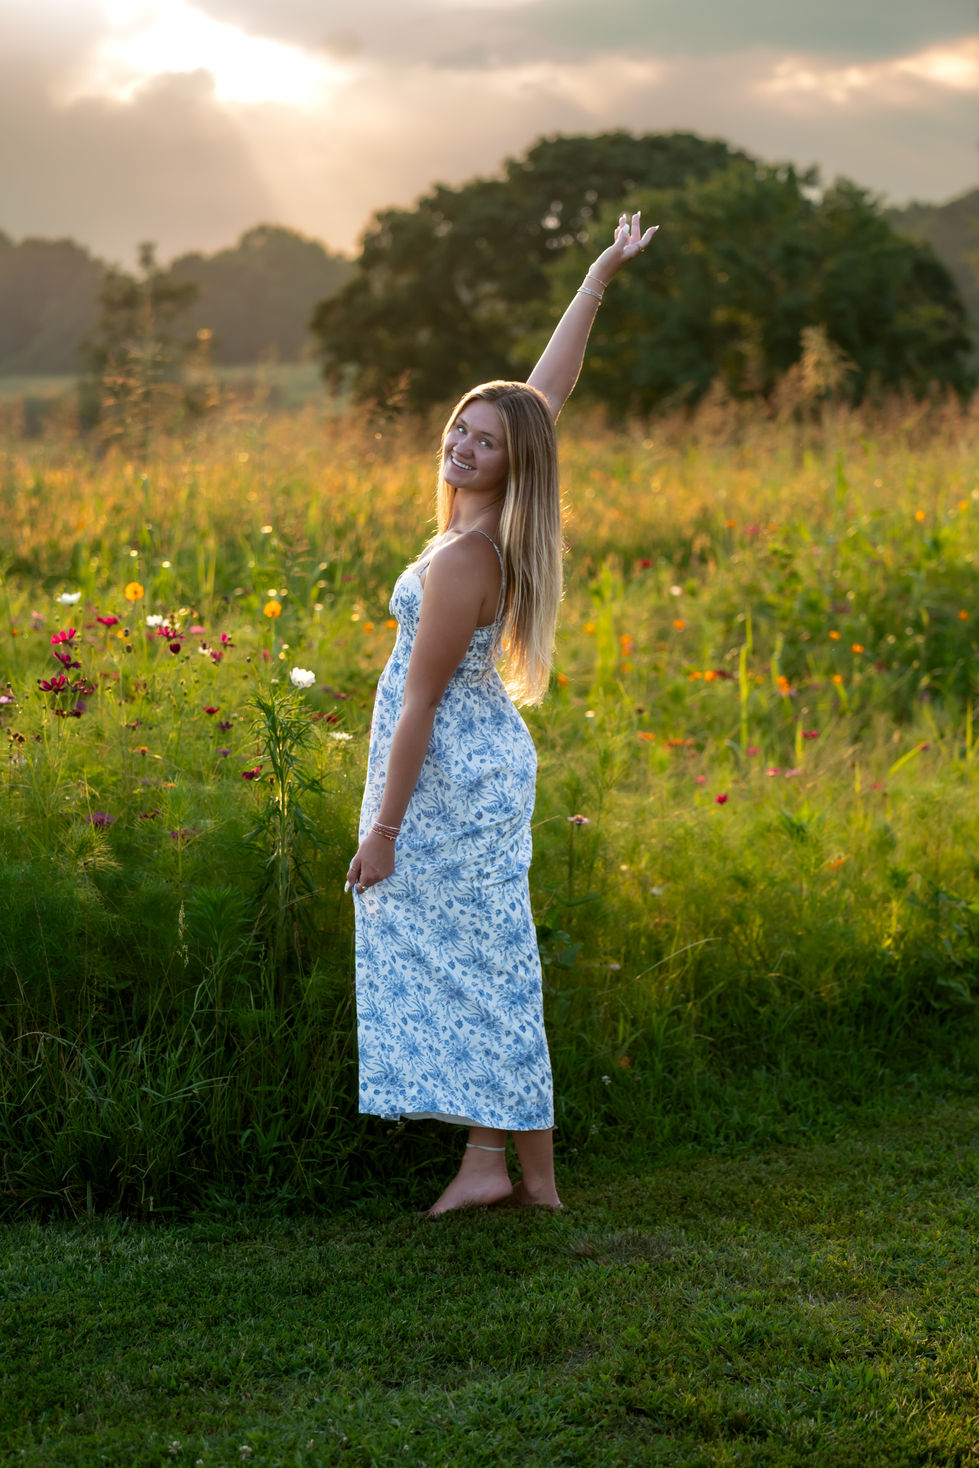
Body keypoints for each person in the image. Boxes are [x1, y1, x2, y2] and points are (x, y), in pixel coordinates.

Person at [346, 211, 658, 1216]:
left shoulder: (464, 560)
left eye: (484, 441)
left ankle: (515, 1168)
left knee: (485, 963)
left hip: (445, 770)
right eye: (459, 430)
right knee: (490, 959)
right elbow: (543, 394)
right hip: (476, 760)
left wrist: (384, 830)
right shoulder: (488, 535)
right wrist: (598, 277)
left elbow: (418, 705)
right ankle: (508, 1166)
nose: (465, 446)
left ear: (514, 462)